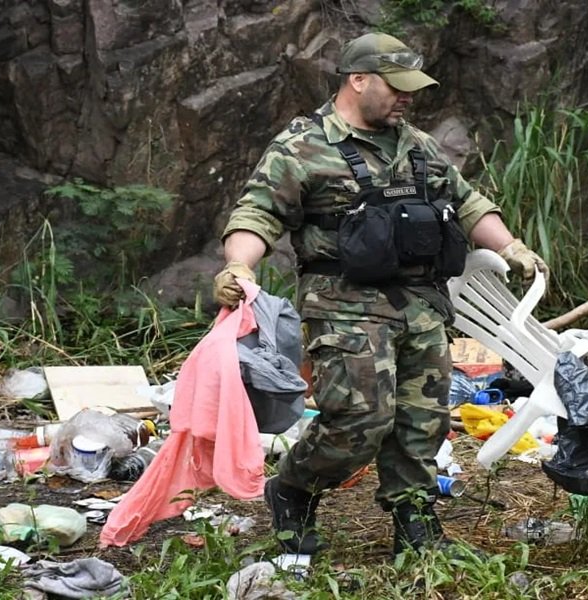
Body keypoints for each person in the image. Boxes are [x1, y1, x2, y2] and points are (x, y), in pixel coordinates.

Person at [214, 32, 549, 556]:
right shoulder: (302, 145)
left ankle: (416, 528)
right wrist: (238, 265)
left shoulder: (417, 144)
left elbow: (466, 203)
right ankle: (294, 487)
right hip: (344, 303)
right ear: (358, 80)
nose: (407, 97)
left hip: (422, 305)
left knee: (423, 422)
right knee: (358, 420)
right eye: (397, 87)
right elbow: (258, 213)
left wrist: (513, 246)